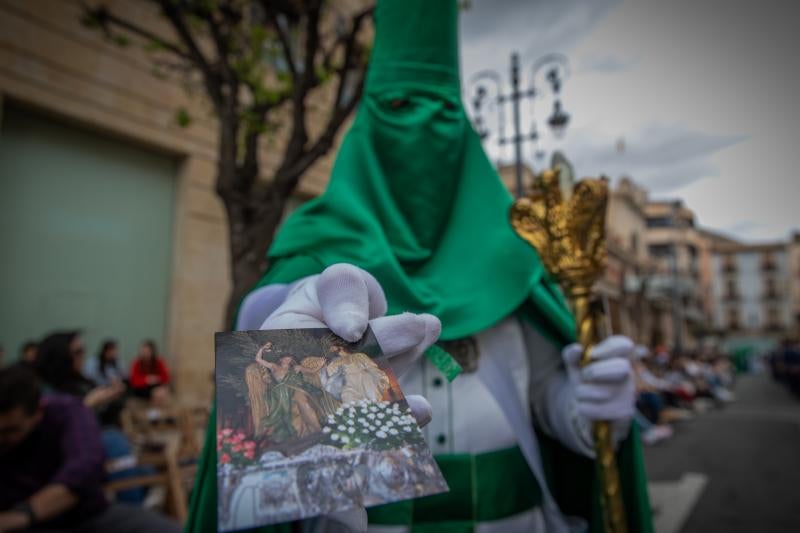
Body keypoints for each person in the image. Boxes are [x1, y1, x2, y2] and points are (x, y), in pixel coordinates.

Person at [187, 1, 651, 531]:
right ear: (366, 125)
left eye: (441, 111)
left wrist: (590, 410)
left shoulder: (514, 262)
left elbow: (547, 395)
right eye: (399, 106)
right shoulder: (307, 269)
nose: (419, 132)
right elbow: (277, 464)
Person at [0, 365, 180, 533]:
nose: (4, 439)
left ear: (39, 411)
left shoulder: (66, 411)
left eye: (11, 431)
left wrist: (25, 513)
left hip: (81, 516)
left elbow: (84, 468)